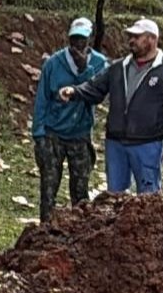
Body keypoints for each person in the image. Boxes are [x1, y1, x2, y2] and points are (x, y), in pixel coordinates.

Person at [59, 17, 163, 195]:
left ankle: (147, 224)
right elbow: (95, 87)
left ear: (152, 39)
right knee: (115, 196)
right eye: (130, 36)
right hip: (116, 142)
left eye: (137, 36)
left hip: (148, 143)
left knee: (149, 197)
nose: (131, 41)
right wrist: (74, 92)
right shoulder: (118, 67)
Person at [31, 16, 108, 220]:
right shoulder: (54, 63)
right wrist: (38, 134)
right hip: (53, 133)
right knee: (49, 187)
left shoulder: (99, 64)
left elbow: (95, 95)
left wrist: (84, 71)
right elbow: (42, 99)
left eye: (82, 39)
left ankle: (79, 232)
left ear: (90, 40)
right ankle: (45, 230)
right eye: (74, 39)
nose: (78, 44)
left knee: (80, 188)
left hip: (80, 134)